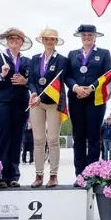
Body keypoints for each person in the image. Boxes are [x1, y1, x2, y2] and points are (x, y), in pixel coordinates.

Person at [0, 27, 32, 188]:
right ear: (6, 41)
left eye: (17, 39)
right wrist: (1, 76)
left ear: (22, 42)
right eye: (11, 39)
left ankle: (13, 175)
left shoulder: (28, 62)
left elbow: (35, 82)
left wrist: (26, 82)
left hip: (20, 104)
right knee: (0, 139)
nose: (14, 41)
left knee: (17, 139)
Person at [64, 24, 111, 178]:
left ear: (95, 36)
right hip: (76, 98)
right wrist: (76, 87)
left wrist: (91, 88)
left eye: (90, 35)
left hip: (95, 99)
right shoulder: (72, 54)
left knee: (93, 136)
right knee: (78, 136)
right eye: (84, 35)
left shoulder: (104, 54)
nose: (87, 37)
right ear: (80, 37)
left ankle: (92, 173)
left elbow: (108, 75)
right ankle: (79, 174)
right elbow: (66, 76)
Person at [28, 28, 68, 188]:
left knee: (52, 139)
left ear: (56, 41)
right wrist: (33, 93)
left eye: (52, 39)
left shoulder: (62, 60)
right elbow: (31, 79)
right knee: (38, 140)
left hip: (54, 102)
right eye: (46, 39)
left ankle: (53, 175)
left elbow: (58, 83)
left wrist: (41, 97)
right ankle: (38, 175)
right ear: (42, 41)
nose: (49, 42)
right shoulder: (34, 59)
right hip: (36, 102)